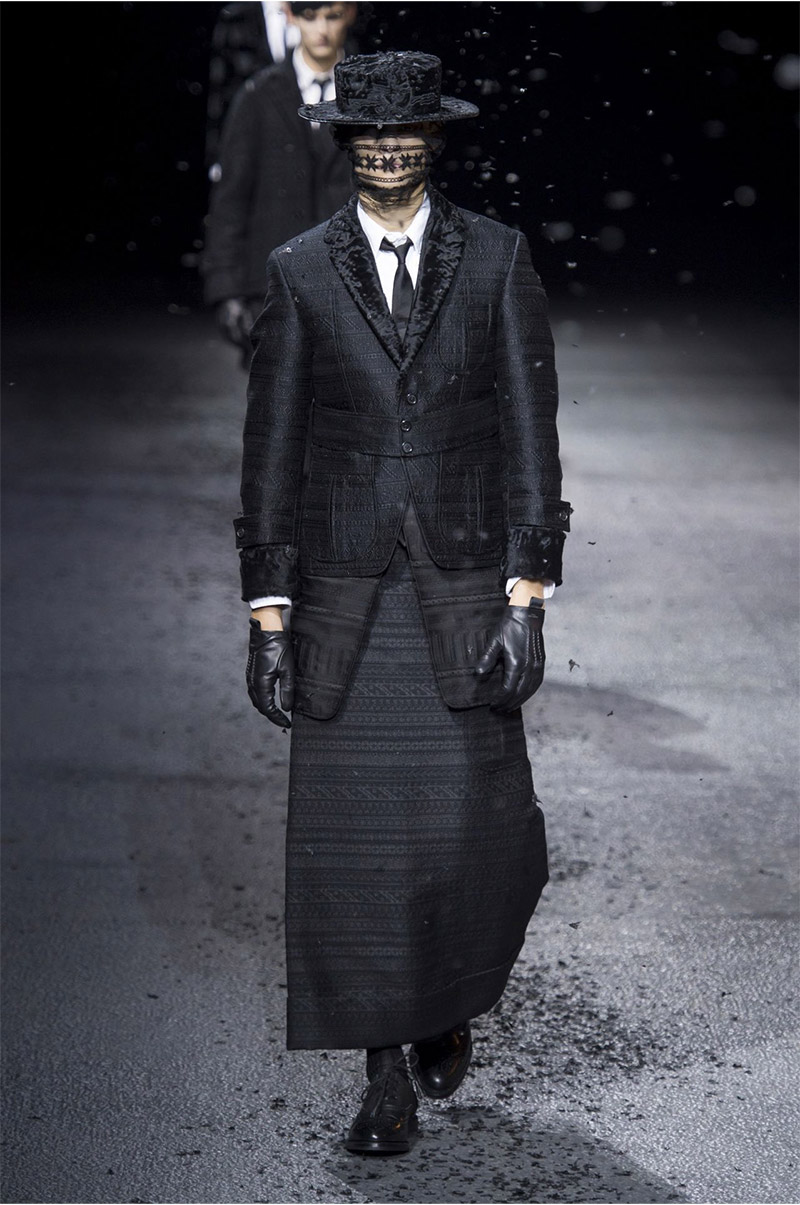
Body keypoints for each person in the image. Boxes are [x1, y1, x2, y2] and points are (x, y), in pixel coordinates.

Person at [235, 51, 571, 1154]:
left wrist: (528, 593)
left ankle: (446, 999)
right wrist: (268, 614)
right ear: (347, 144)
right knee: (355, 853)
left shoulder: (497, 258)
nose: (387, 148)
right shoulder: (298, 270)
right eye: (369, 133)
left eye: (407, 131)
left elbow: (529, 433)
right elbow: (271, 451)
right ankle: (383, 1074)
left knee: (478, 834)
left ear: (435, 140)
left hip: (465, 580)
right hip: (342, 592)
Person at [202, 2, 358, 362]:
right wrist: (227, 290)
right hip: (272, 285)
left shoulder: (370, 94)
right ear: (289, 16)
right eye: (310, 17)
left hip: (352, 284)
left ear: (350, 13)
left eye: (332, 16)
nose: (322, 30)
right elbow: (231, 199)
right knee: (277, 390)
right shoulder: (258, 95)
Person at [206, 2, 300, 177]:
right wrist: (218, 156)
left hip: (302, 147)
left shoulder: (319, 13)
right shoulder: (236, 17)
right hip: (253, 144)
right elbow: (221, 92)